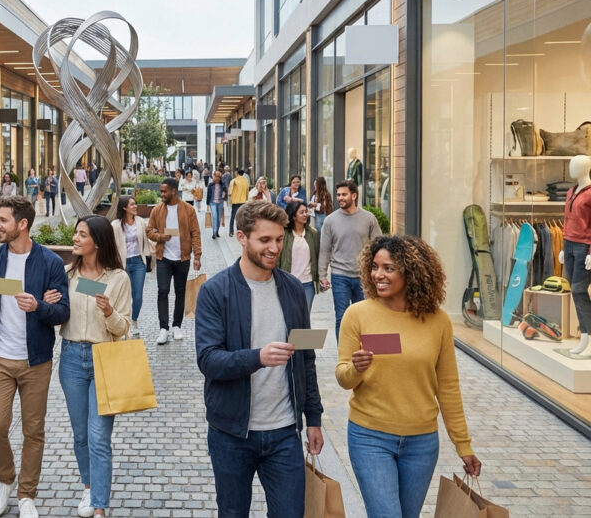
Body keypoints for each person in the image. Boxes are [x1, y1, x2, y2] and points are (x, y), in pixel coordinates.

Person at [336, 235, 481, 518]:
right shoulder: (357, 315)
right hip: (370, 437)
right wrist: (357, 368)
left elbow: (448, 387)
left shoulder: (438, 321)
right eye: (375, 267)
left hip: (421, 443)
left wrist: (463, 445)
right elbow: (343, 378)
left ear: (411, 272)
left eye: (388, 268)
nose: (379, 274)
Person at [195, 202, 324, 518]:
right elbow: (209, 361)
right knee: (233, 512)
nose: (274, 248)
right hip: (232, 434)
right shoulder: (215, 291)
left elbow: (305, 356)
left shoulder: (293, 288)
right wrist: (258, 357)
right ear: (241, 237)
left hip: (284, 432)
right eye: (265, 240)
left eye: (279, 239)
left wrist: (314, 418)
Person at [0, 196, 70, 518]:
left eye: (3, 221)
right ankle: (5, 479)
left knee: (33, 430)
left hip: (36, 362)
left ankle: (26, 494)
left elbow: (62, 312)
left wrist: (40, 307)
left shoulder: (49, 262)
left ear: (22, 224)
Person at [43, 215, 131, 518]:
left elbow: (123, 327)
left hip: (105, 358)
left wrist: (108, 312)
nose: (76, 239)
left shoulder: (118, 278)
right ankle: (89, 487)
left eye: (82, 235)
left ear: (98, 241)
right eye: (76, 233)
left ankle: (99, 507)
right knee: (81, 435)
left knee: (98, 437)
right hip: (71, 359)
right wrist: (49, 302)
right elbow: (58, 316)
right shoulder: (66, 275)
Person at [319, 179, 381, 340]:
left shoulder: (368, 218)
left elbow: (379, 246)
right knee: (342, 317)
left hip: (363, 276)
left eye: (344, 194)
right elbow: (324, 250)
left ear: (354, 195)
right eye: (338, 194)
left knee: (365, 317)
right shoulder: (330, 221)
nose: (340, 198)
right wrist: (322, 276)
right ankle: (344, 357)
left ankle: (365, 354)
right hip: (340, 276)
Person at [146, 178, 202, 345]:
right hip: (163, 258)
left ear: (173, 191)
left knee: (180, 292)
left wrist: (197, 255)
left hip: (183, 258)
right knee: (162, 291)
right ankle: (163, 328)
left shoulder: (188, 210)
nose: (161, 194)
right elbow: (149, 231)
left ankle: (177, 325)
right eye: (161, 191)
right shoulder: (157, 210)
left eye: (164, 191)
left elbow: (195, 233)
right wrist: (160, 237)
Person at [112, 195, 152, 331]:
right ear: (124, 208)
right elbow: (111, 245)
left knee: (138, 295)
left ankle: (134, 320)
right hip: (122, 264)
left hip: (138, 262)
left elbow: (148, 239)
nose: (135, 207)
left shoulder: (141, 222)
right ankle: (122, 322)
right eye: (132, 204)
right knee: (122, 295)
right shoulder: (116, 225)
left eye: (136, 204)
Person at [278, 201, 320, 311]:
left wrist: (321, 278)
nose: (305, 214)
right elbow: (278, 259)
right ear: (293, 216)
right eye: (302, 212)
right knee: (289, 316)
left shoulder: (313, 234)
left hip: (307, 284)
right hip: (288, 283)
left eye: (306, 212)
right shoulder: (284, 234)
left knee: (304, 317)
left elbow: (317, 257)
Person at [228, 169, 250, 238]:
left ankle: (231, 232)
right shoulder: (246, 181)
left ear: (236, 173)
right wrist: (246, 199)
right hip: (243, 201)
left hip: (235, 202)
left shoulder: (234, 180)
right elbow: (247, 191)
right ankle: (241, 232)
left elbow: (230, 192)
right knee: (242, 217)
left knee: (233, 217)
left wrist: (230, 195)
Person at [206, 171, 227, 240]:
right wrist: (207, 205)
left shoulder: (222, 185)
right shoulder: (210, 185)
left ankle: (217, 231)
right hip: (212, 202)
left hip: (220, 203)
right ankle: (214, 233)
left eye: (219, 177)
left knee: (218, 219)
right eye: (216, 176)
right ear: (213, 176)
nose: (217, 178)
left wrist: (224, 195)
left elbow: (226, 193)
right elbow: (208, 195)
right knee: (214, 217)